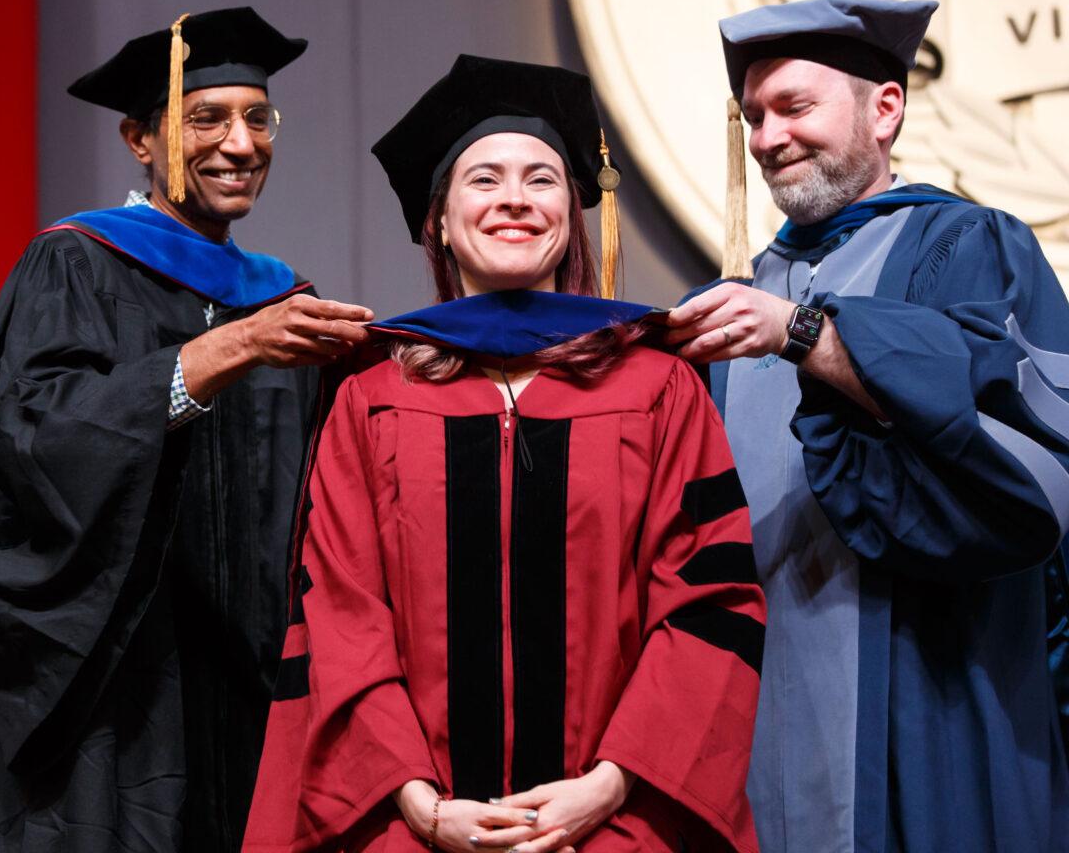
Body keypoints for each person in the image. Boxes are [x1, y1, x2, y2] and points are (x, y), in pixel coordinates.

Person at [243, 55, 764, 853]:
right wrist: (418, 803)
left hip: (620, 822)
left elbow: (708, 601)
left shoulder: (659, 390)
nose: (514, 199)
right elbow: (342, 617)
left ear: (575, 213)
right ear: (440, 221)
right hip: (415, 829)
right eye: (483, 180)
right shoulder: (371, 401)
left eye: (542, 179)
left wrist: (608, 786)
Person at [0, 7, 375, 852]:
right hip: (119, 697)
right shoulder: (74, 264)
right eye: (207, 118)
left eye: (258, 119)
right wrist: (217, 354)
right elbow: (31, 445)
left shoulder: (280, 294)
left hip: (255, 684)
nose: (241, 144)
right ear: (139, 141)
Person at [666, 0, 1069, 851]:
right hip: (763, 724)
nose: (770, 137)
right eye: (755, 116)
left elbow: (1027, 476)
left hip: (942, 703)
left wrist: (808, 336)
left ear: (885, 108)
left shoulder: (968, 248)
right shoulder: (726, 310)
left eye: (796, 107)